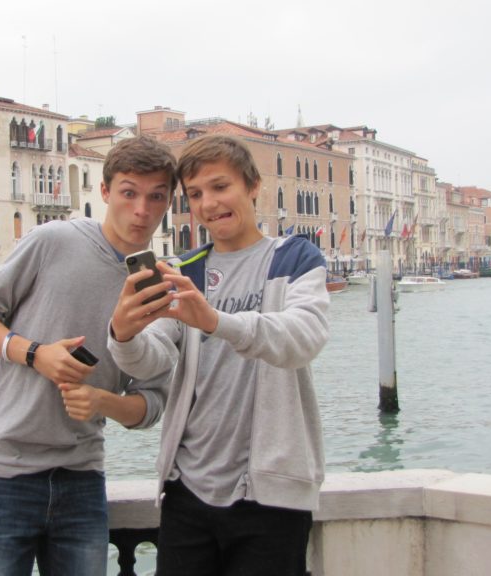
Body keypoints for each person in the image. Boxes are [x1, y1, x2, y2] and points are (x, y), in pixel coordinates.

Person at [108, 135, 331, 575]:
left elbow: (304, 338)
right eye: (195, 194)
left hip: (271, 496)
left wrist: (215, 322)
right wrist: (123, 334)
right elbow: (152, 360)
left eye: (220, 187)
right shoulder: (186, 269)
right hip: (186, 490)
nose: (209, 203)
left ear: (253, 186)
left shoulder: (295, 258)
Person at [0, 135, 177, 576]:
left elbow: (152, 404)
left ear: (168, 202)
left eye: (156, 197)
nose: (142, 210)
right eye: (129, 193)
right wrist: (35, 354)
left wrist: (102, 403)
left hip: (81, 477)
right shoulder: (53, 240)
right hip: (0, 471)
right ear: (105, 192)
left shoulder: (161, 288)